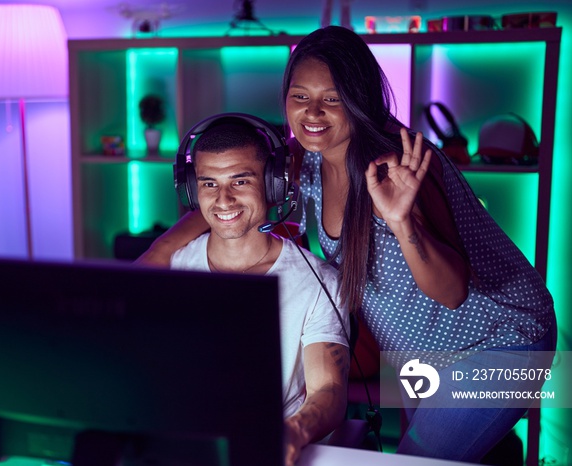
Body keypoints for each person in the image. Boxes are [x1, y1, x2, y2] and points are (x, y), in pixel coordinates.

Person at [139, 25, 558, 463]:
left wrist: (400, 221)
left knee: (416, 459)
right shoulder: (304, 160)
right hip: (418, 351)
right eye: (300, 96)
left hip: (504, 339)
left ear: (359, 100)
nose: (312, 113)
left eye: (332, 99)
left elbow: (451, 292)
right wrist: (147, 270)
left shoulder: (396, 165)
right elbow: (223, 203)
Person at [168, 114, 352, 466]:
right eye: (208, 183)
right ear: (191, 189)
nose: (223, 199)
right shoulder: (172, 269)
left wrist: (294, 431)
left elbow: (327, 390)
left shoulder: (319, 281)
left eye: (240, 181)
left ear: (272, 185)